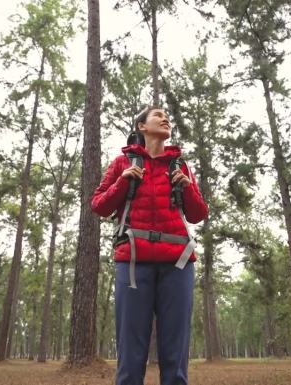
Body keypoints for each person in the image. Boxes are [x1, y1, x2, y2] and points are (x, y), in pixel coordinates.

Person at [91, 106, 208, 385]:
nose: (166, 118)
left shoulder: (180, 166)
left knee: (175, 353)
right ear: (142, 126)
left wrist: (188, 186)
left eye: (168, 115)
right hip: (133, 262)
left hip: (178, 263)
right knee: (131, 353)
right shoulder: (123, 162)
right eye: (158, 115)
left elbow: (198, 214)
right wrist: (123, 181)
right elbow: (99, 205)